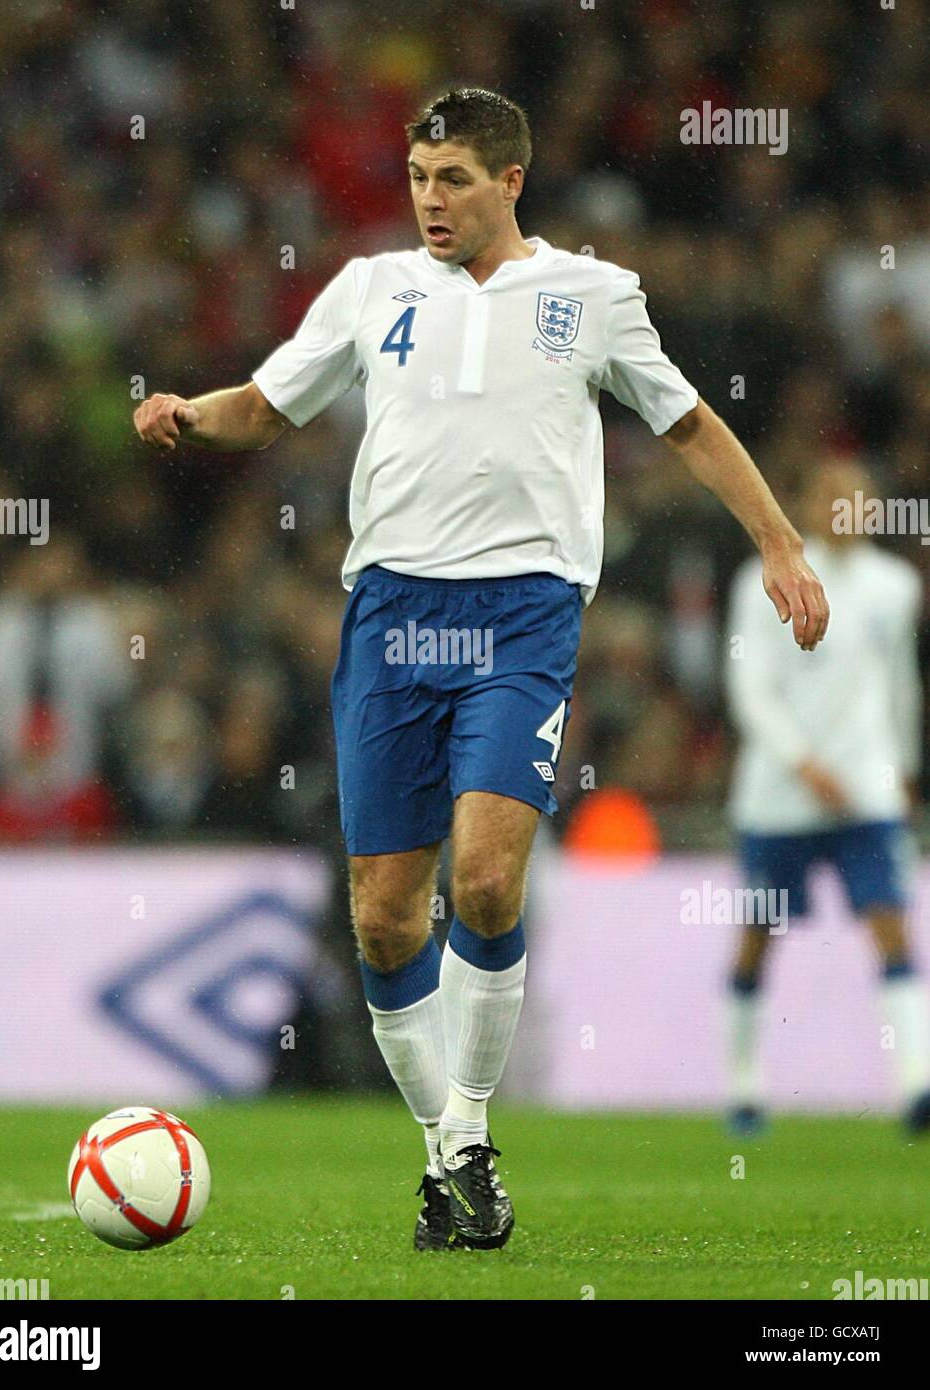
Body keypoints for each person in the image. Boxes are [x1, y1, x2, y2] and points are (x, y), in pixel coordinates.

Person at [135, 88, 828, 1250]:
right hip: (391, 614)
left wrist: (778, 538)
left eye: (452, 179)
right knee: (384, 913)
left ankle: (467, 1130)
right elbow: (265, 405)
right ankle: (452, 1158)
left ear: (511, 181)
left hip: (522, 614)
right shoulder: (371, 289)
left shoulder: (592, 298)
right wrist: (188, 416)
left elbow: (691, 423)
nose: (429, 201)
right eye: (416, 179)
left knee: (491, 879)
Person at [724, 458, 929, 1135]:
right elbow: (749, 687)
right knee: (758, 937)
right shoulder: (761, 582)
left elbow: (899, 682)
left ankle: (915, 1086)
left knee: (889, 924)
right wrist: (800, 761)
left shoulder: (893, 586)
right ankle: (745, 1085)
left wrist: (900, 767)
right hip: (779, 795)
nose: (846, 507)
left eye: (858, 497)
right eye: (831, 495)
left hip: (864, 790)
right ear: (807, 504)